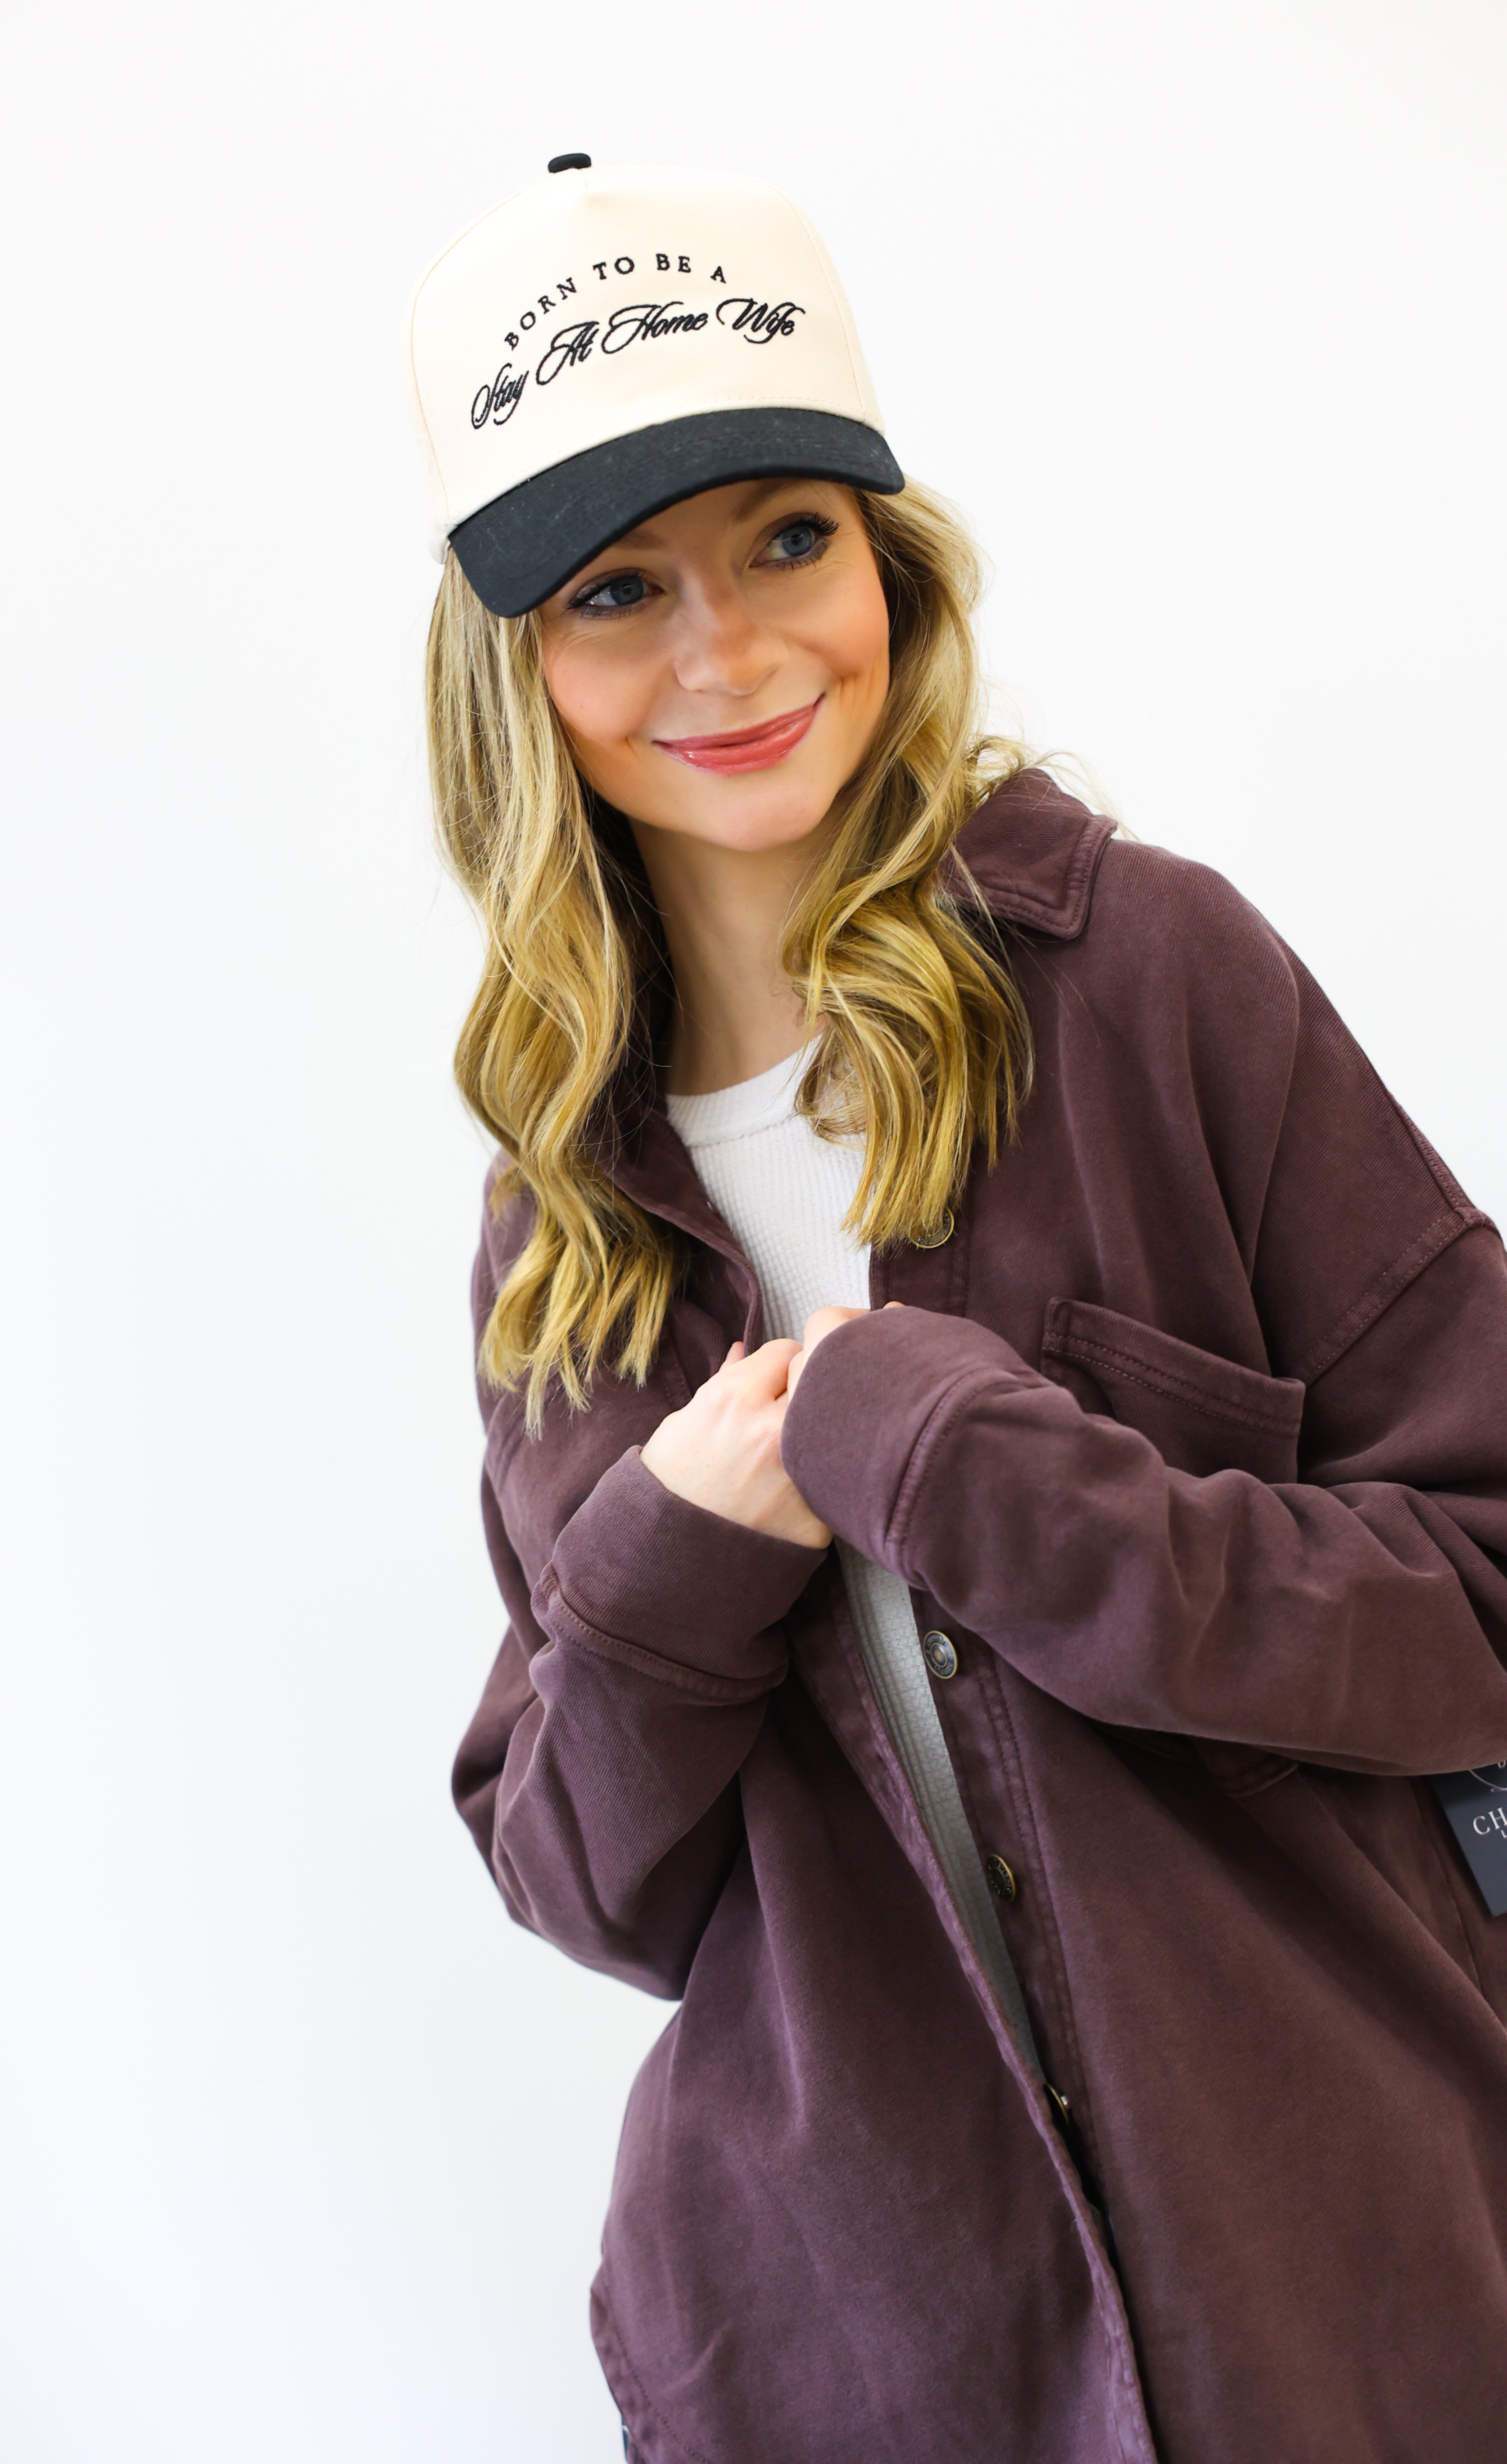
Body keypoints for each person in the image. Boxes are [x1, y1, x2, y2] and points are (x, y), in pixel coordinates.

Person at [409, 159, 1507, 2463]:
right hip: (874, 2350)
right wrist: (673, 1557)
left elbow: (1484, 1591)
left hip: (1347, 2281)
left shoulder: (1150, 984)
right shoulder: (561, 1220)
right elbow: (590, 1884)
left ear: (891, 563)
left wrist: (967, 1465)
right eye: (619, 590)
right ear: (516, 672)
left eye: (790, 541)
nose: (726, 657)